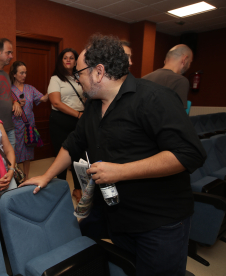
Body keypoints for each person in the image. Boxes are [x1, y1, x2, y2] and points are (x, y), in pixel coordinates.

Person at [22, 35, 206, 275]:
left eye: (79, 74)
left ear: (99, 72)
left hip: (159, 222)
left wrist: (121, 171)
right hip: (119, 216)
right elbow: (74, 142)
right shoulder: (92, 106)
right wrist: (47, 175)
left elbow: (189, 153)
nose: (78, 81)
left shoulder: (154, 98)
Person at [47, 48, 85, 202]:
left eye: (71, 57)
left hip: (80, 119)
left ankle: (77, 189)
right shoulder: (56, 78)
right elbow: (56, 102)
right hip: (61, 120)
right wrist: (77, 114)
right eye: (65, 58)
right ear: (61, 61)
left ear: (76, 61)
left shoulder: (80, 77)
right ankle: (60, 191)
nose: (68, 60)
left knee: (78, 156)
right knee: (62, 155)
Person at [9, 61, 48, 180]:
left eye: (25, 73)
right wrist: (14, 104)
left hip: (28, 126)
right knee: (14, 152)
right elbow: (2, 108)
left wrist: (54, 89)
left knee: (28, 153)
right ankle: (15, 176)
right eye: (21, 73)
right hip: (14, 126)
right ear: (14, 74)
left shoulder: (30, 88)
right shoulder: (8, 90)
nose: (24, 75)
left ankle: (26, 177)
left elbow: (43, 99)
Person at [142, 44, 193, 108]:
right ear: (184, 59)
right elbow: (178, 114)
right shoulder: (180, 81)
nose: (189, 66)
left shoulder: (143, 79)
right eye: (190, 62)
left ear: (165, 60)